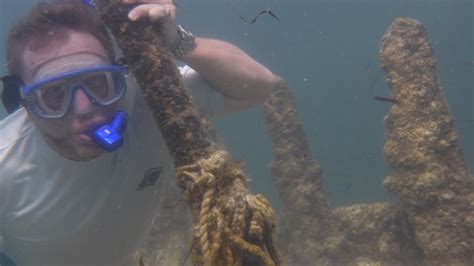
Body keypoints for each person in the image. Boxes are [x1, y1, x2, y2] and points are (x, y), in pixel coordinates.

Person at [0, 0, 279, 264]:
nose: (83, 109)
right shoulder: (5, 163)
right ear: (24, 103)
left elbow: (259, 86)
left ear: (120, 76)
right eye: (53, 94)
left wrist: (175, 41)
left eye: (98, 82)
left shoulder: (149, 101)